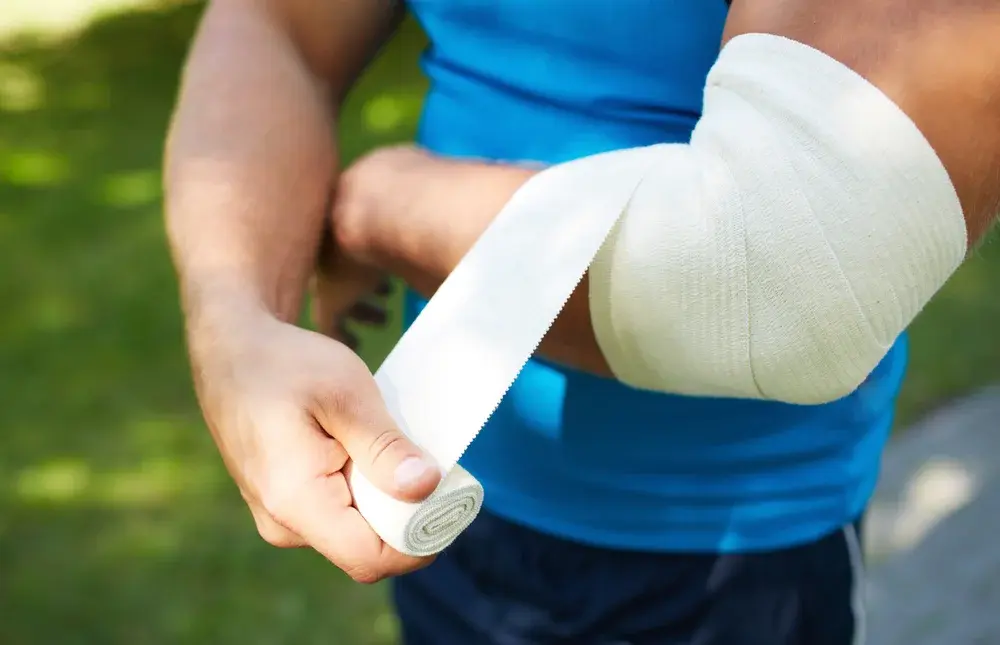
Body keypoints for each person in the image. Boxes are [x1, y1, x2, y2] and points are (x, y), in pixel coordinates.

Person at [163, 0, 1000, 643]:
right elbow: (277, 26)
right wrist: (233, 321)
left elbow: (782, 278)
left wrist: (376, 205)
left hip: (736, 544)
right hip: (438, 481)